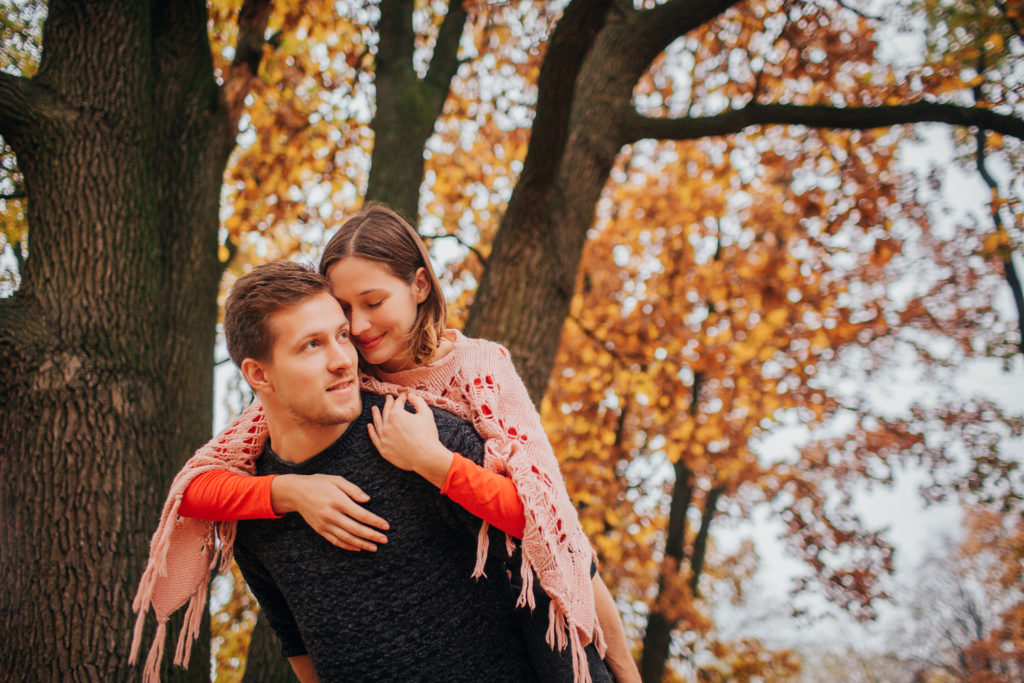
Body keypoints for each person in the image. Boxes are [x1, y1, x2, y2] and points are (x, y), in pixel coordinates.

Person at [131, 205, 639, 683]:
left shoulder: (476, 375)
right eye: (344, 313)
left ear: (420, 285)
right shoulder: (340, 385)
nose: (357, 330)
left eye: (372, 304)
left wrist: (433, 462)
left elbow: (548, 527)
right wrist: (291, 492)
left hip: (536, 562)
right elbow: (195, 487)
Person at [143, 260, 545, 682]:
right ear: (259, 374)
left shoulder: (420, 435)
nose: (343, 360)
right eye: (311, 346)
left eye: (341, 336)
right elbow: (295, 641)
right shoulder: (253, 508)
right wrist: (291, 493)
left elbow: (553, 554)